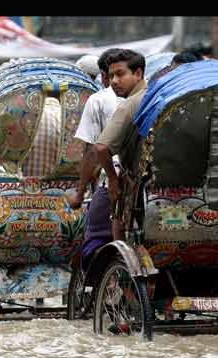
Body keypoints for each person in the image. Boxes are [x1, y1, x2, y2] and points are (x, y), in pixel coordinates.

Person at [68, 50, 125, 269]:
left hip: (112, 178)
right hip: (143, 182)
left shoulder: (99, 100)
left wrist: (80, 193)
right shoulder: (147, 95)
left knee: (95, 236)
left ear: (104, 75)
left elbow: (92, 152)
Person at [92, 49, 147, 240]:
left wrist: (113, 180)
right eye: (111, 76)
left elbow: (101, 147)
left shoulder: (130, 104)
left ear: (138, 73)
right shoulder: (156, 95)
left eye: (120, 74)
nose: (114, 81)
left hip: (137, 187)